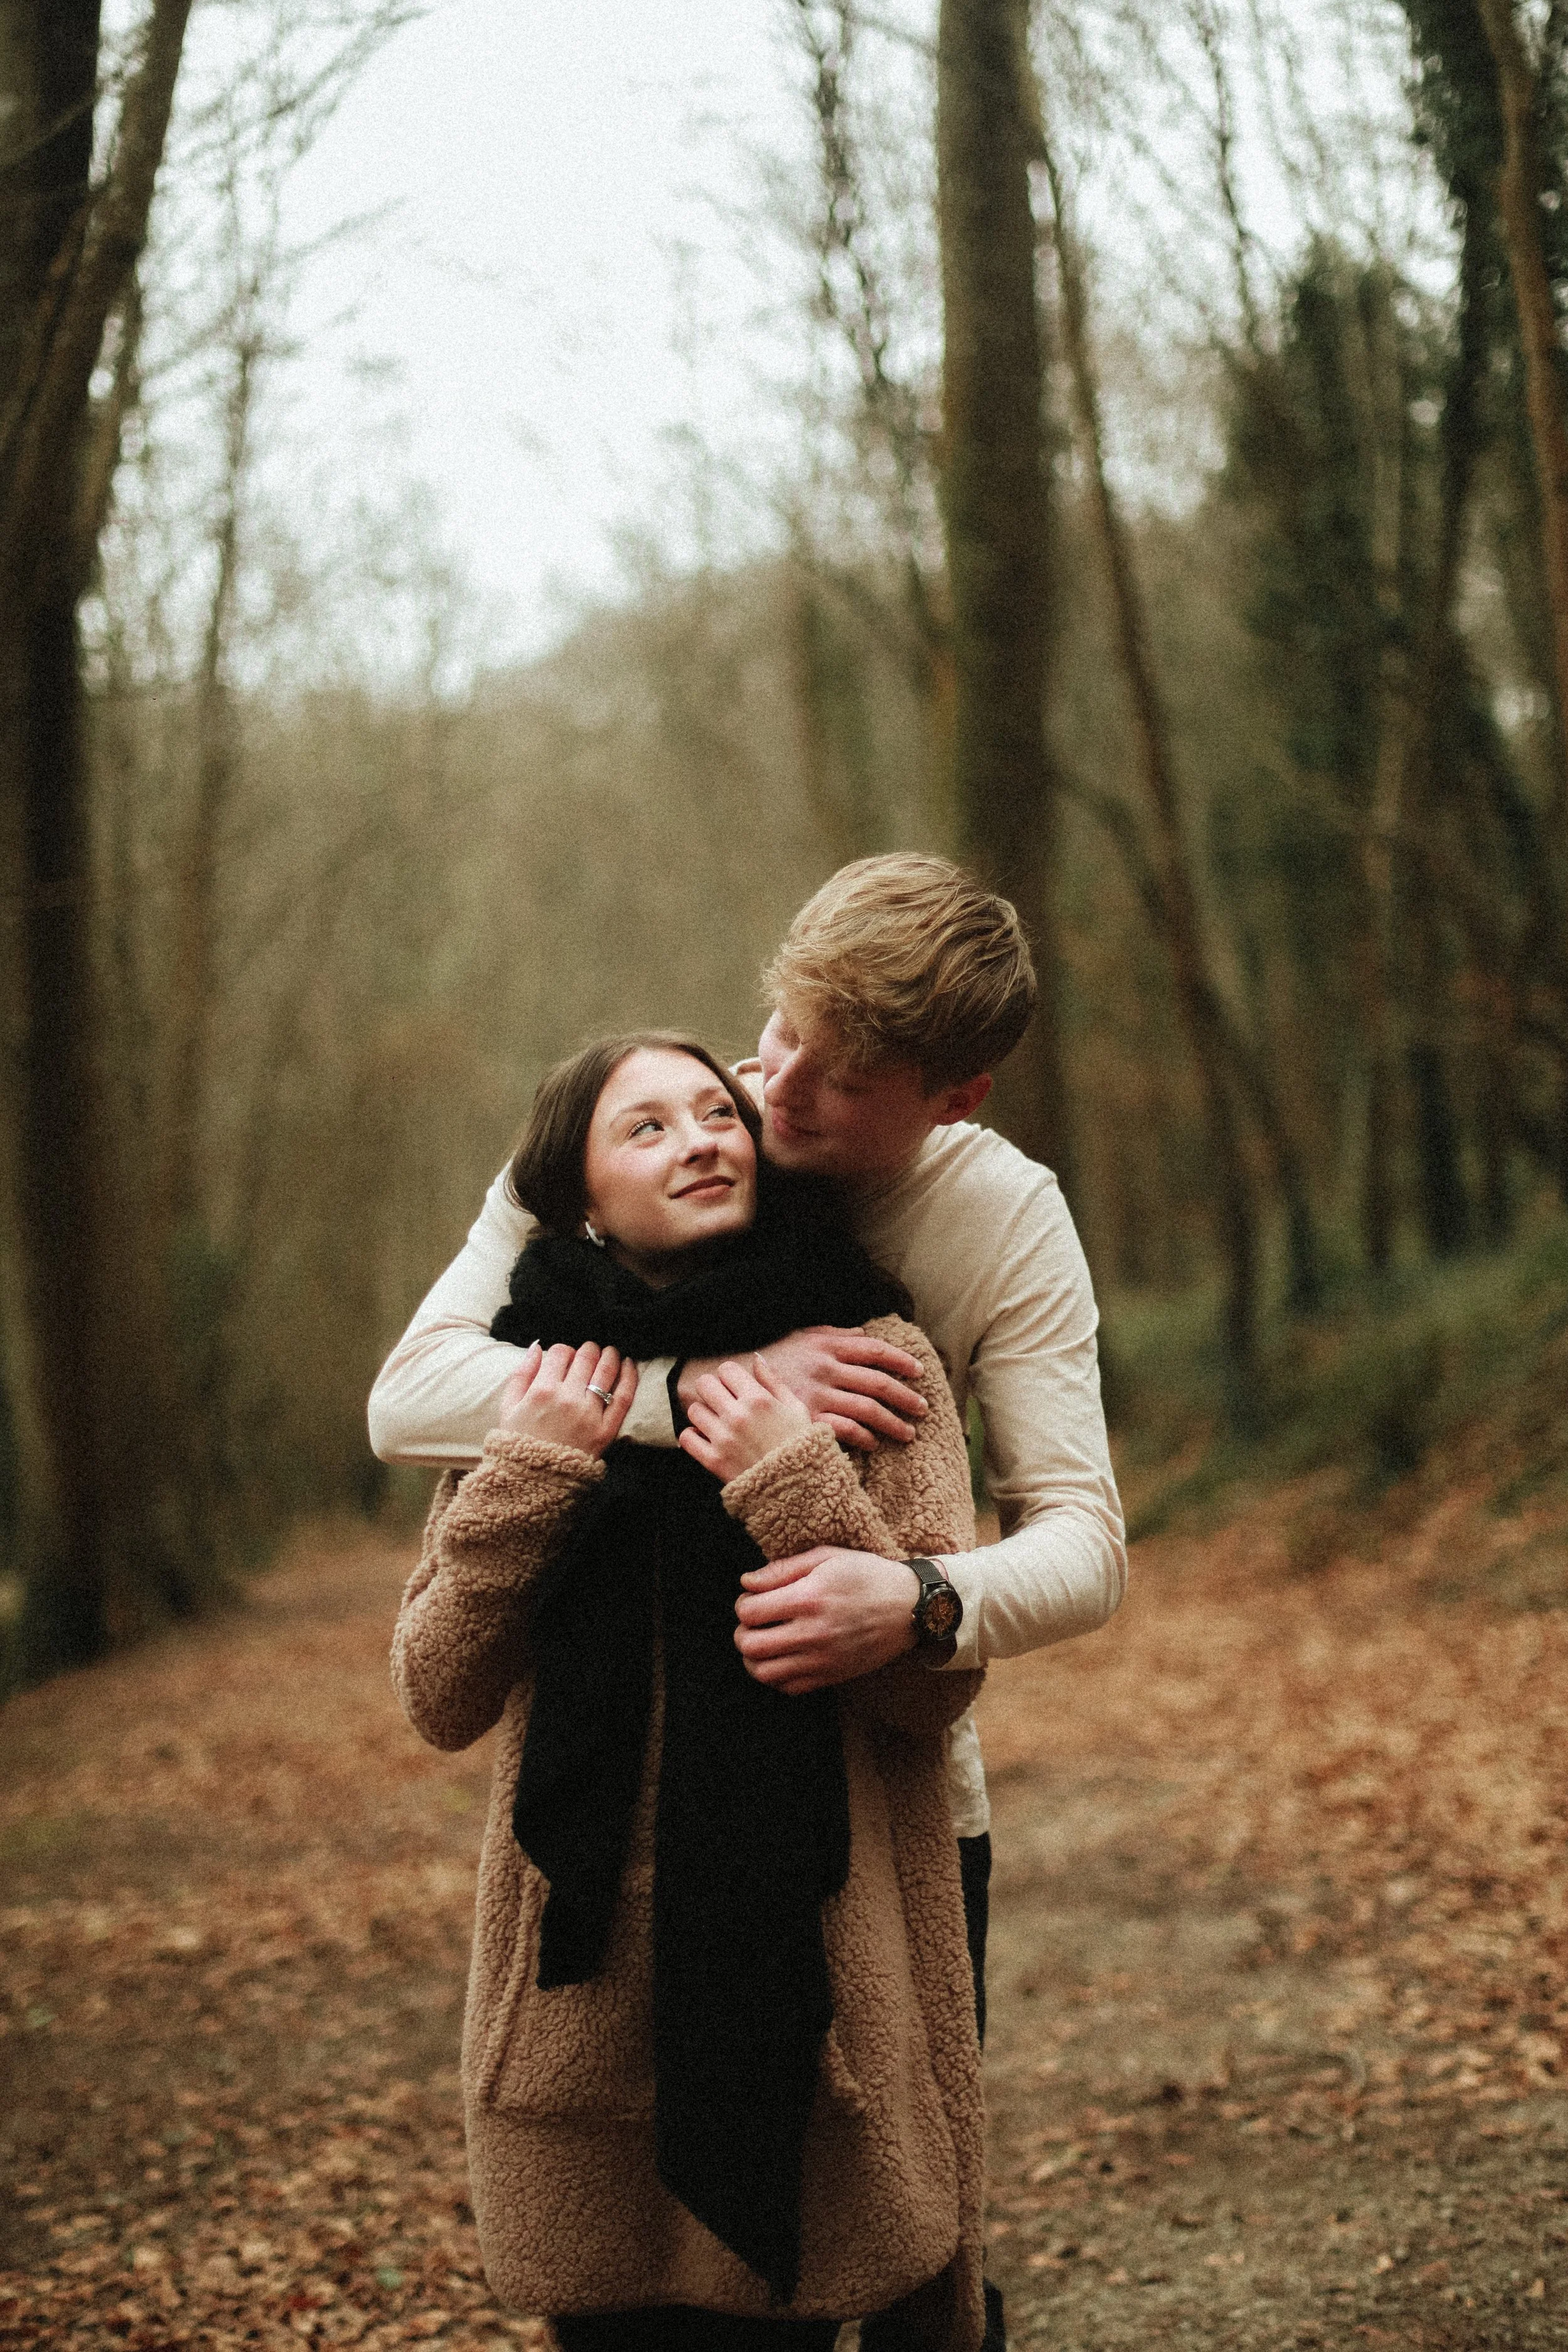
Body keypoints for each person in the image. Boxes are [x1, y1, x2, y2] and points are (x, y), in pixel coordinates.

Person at [370, 855, 1127, 2033]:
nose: (777, 1088)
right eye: (785, 1029)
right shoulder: (645, 1136)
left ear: (954, 1099)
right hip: (617, 1796)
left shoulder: (1005, 1217)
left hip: (886, 1813)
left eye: (845, 1077)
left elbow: (1085, 1545)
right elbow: (409, 1400)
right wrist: (694, 1387)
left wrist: (919, 1599)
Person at [391, 1035, 987, 2351]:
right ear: (580, 1201)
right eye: (645, 1127)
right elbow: (437, 1689)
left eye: (718, 1112)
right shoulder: (532, 1387)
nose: (702, 1139)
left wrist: (790, 1475)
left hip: (812, 2022)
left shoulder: (874, 1356)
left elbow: (930, 1698)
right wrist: (531, 1470)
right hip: (578, 2033)